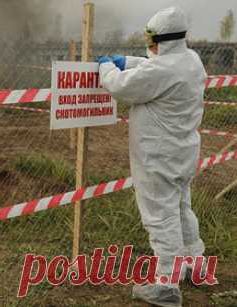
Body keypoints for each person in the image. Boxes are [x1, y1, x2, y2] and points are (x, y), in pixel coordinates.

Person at [98, 7, 208, 307]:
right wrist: (128, 61)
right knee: (182, 208)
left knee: (160, 217)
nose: (149, 44)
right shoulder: (191, 61)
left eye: (151, 38)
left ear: (165, 40)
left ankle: (166, 285)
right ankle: (195, 264)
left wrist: (107, 67)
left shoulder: (160, 71)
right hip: (183, 154)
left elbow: (122, 86)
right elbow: (154, 67)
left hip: (159, 159)